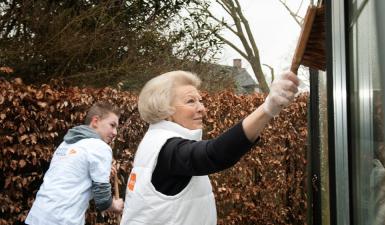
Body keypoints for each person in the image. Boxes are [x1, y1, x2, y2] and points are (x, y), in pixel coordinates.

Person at [120, 70, 299, 225]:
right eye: (191, 101)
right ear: (164, 109)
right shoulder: (169, 149)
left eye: (200, 100)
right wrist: (267, 108)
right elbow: (214, 154)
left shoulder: (154, 141)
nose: (202, 108)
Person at [25, 102, 124, 225]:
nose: (115, 132)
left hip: (35, 217)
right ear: (95, 121)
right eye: (112, 125)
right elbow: (103, 201)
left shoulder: (65, 144)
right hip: (62, 221)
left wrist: (104, 173)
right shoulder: (100, 147)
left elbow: (72, 183)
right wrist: (115, 205)